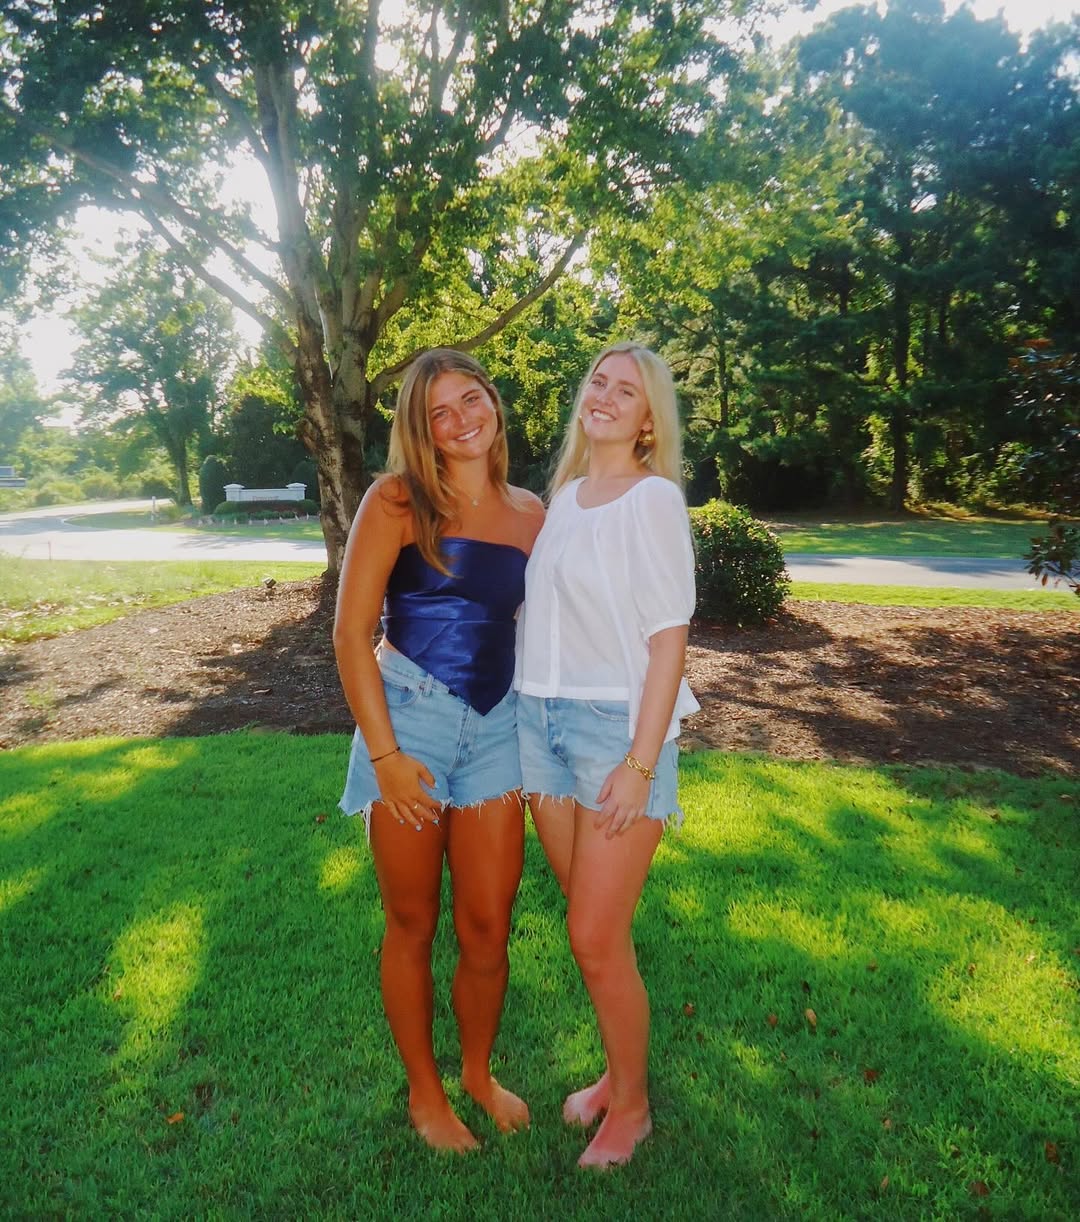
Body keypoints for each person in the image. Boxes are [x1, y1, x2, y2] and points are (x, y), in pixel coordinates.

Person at [333, 349, 544, 1153]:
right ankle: (426, 1094)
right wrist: (385, 758)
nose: (460, 421)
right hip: (409, 726)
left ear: (493, 400)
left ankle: (478, 1075)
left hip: (498, 728)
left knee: (488, 924)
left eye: (471, 399)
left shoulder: (531, 513)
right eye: (438, 413)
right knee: (412, 920)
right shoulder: (395, 500)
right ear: (419, 431)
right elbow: (351, 634)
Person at [514, 341, 699, 1167]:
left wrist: (641, 763)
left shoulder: (652, 501)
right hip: (540, 727)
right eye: (598, 381)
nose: (605, 396)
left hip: (612, 735)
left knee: (593, 934)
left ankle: (633, 1110)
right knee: (596, 931)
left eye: (627, 391)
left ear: (649, 420)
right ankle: (615, 1078)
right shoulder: (565, 497)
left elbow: (668, 642)